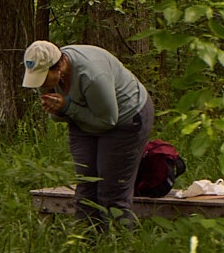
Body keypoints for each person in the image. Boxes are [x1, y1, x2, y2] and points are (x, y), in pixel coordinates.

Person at [22, 39, 154, 229]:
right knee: (86, 185)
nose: (40, 84)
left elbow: (108, 121)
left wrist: (67, 107)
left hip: (125, 119)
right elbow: (62, 116)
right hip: (85, 120)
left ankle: (120, 247)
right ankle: (88, 246)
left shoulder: (92, 75)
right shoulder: (54, 75)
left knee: (112, 192)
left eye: (43, 77)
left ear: (59, 66)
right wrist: (58, 110)